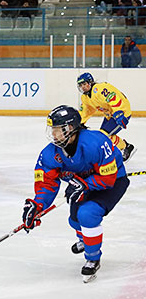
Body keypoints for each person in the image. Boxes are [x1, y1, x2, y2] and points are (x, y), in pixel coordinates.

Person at [22, 105, 129, 283]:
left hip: (112, 182)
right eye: (52, 130)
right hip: (81, 184)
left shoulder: (96, 143)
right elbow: (46, 184)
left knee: (87, 214)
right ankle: (85, 238)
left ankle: (93, 257)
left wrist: (85, 184)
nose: (53, 135)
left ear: (70, 129)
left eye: (57, 130)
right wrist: (38, 204)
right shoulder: (50, 153)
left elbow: (108, 178)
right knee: (74, 220)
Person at [76, 72, 136, 162]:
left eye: (84, 84)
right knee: (103, 135)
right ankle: (126, 146)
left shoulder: (99, 89)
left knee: (104, 135)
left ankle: (125, 147)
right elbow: (86, 111)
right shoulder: (85, 98)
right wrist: (79, 122)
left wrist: (119, 112)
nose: (83, 87)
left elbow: (113, 97)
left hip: (121, 112)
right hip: (110, 114)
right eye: (81, 85)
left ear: (90, 83)